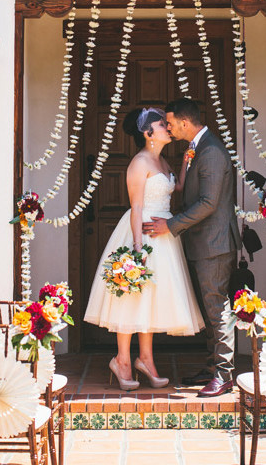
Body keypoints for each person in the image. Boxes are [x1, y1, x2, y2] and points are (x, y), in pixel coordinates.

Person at [84, 106, 204, 391]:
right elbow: (136, 207)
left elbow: (177, 189)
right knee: (132, 297)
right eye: (163, 125)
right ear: (148, 133)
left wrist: (187, 161)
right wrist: (137, 250)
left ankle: (146, 359)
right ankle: (123, 361)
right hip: (142, 234)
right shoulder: (139, 162)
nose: (168, 128)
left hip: (164, 235)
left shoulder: (162, 161)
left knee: (150, 299)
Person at [143, 97, 241, 398]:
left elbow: (209, 203)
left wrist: (170, 226)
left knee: (217, 309)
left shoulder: (211, 151)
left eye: (170, 123)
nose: (169, 129)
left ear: (185, 123)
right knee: (211, 308)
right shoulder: (198, 147)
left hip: (214, 243)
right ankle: (213, 367)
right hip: (204, 242)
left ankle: (224, 375)